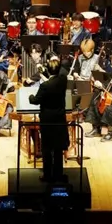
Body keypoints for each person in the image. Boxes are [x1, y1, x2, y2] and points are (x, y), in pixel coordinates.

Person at [28, 52, 70, 183]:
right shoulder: (63, 81)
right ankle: (58, 174)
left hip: (47, 120)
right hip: (60, 119)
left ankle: (47, 175)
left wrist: (30, 96)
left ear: (49, 70)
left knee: (47, 148)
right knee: (58, 148)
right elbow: (53, 77)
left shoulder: (44, 86)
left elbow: (35, 101)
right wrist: (43, 71)